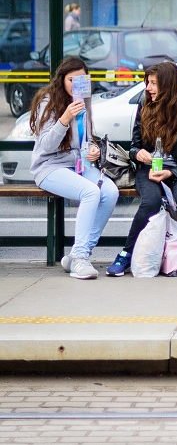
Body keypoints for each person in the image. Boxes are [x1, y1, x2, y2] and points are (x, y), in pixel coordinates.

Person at [106, 61, 177, 277]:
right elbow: (134, 145)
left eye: (153, 83)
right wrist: (137, 154)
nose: (148, 88)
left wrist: (172, 172)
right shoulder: (144, 106)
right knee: (150, 202)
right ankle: (126, 253)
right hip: (149, 169)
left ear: (168, 85)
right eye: (147, 83)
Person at [30, 57, 119, 280]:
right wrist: (64, 118)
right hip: (49, 167)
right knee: (91, 192)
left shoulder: (84, 101)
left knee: (110, 192)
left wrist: (94, 150)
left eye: (81, 80)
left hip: (78, 164)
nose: (76, 84)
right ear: (62, 79)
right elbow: (46, 145)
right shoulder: (48, 101)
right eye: (71, 80)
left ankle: (79, 254)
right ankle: (80, 257)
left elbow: (86, 139)